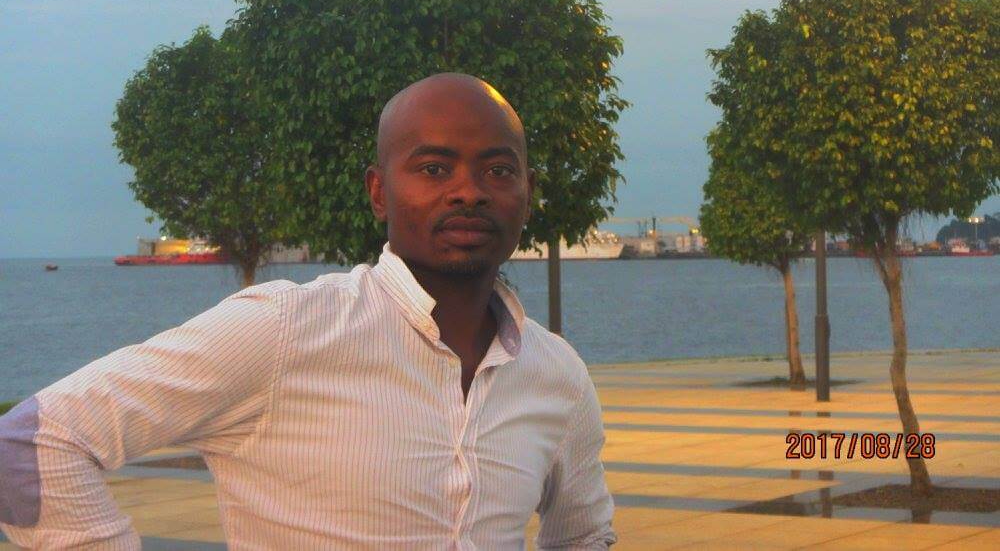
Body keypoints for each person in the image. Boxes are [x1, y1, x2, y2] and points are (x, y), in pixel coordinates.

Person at [0, 73, 616, 549]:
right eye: (433, 168)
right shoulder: (283, 332)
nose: (468, 192)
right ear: (379, 192)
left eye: (499, 170)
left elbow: (583, 534)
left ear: (526, 193)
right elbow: (34, 440)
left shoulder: (556, 373)